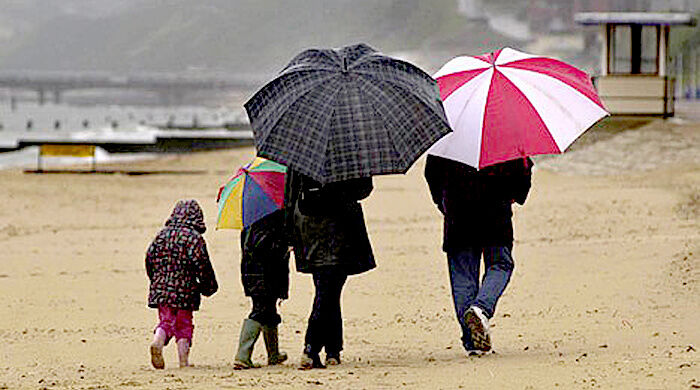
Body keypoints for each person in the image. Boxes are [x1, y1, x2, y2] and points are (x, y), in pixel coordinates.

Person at [424, 155, 533, 354]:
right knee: (500, 265)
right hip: (496, 213)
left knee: (463, 275)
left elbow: (432, 175)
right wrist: (513, 193)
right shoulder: (509, 138)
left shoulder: (447, 138)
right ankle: (481, 308)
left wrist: (443, 202)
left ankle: (472, 340)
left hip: (457, 213)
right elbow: (522, 185)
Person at [284, 170, 375, 369]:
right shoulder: (349, 148)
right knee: (328, 290)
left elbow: (289, 194)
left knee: (327, 289)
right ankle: (312, 347)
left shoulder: (302, 149)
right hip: (340, 226)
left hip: (309, 227)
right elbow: (364, 189)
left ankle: (333, 348)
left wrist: (289, 233)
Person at [146, 199, 218, 369]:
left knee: (166, 320)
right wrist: (209, 286)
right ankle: (183, 361)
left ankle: (158, 340)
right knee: (184, 324)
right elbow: (202, 264)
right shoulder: (194, 238)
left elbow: (149, 258)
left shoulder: (161, 235)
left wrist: (155, 280)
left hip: (161, 287)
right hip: (186, 289)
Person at [233, 209, 290, 369]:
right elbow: (267, 247)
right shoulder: (271, 220)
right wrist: (284, 245)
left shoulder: (249, 218)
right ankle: (242, 355)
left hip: (251, 271)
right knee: (260, 309)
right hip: (267, 273)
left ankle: (274, 354)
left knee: (269, 310)